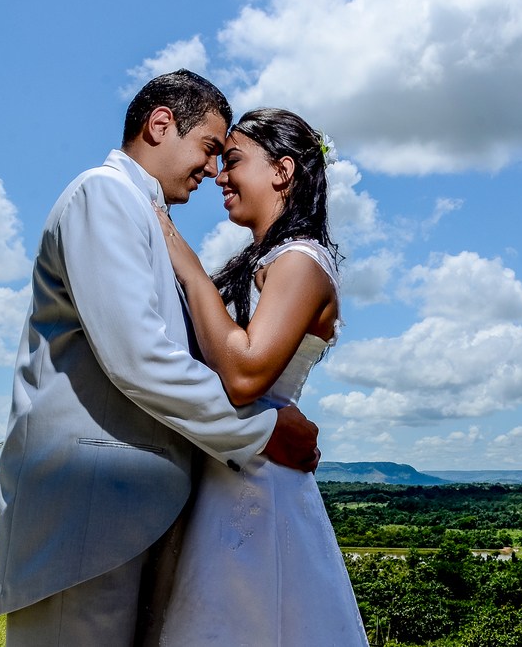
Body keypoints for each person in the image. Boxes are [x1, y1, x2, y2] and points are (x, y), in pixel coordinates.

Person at [0, 71, 321, 647]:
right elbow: (138, 356)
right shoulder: (103, 194)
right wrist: (262, 430)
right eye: (210, 148)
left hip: (137, 517)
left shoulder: (145, 215)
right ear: (161, 124)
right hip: (87, 521)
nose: (215, 170)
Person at [143, 108, 369, 646]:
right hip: (229, 469)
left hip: (259, 487)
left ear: (282, 171)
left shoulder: (301, 261)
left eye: (234, 161)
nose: (219, 176)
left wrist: (188, 265)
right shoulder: (265, 258)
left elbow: (244, 374)